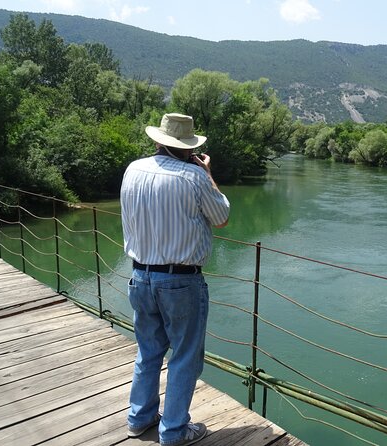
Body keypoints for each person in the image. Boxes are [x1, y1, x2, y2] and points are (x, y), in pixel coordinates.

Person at [120, 113, 230, 445]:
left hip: (140, 275)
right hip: (181, 281)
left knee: (149, 351)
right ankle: (175, 431)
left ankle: (139, 418)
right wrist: (208, 174)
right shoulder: (195, 177)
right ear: (188, 148)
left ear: (159, 140)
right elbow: (222, 217)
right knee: (184, 357)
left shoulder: (133, 169)